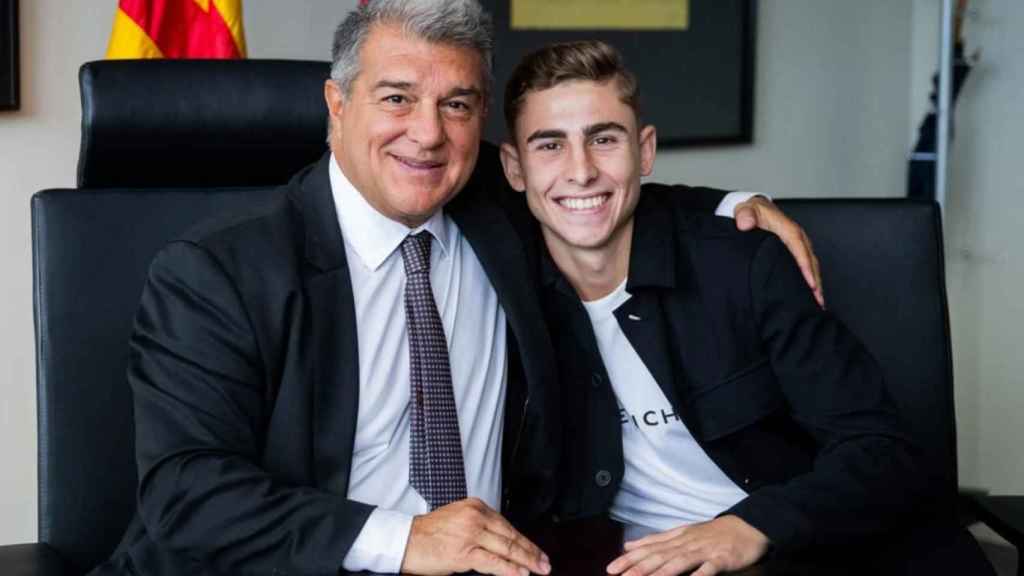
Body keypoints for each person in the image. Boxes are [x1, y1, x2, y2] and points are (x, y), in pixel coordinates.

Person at [91, 3, 820, 575]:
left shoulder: (494, 216)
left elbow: (591, 188)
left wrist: (732, 207)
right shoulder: (217, 272)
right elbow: (185, 492)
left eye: (458, 105)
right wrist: (400, 540)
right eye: (398, 98)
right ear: (336, 105)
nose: (428, 134)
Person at [498, 40, 931, 576]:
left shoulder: (745, 266)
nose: (581, 170)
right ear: (513, 168)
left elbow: (884, 453)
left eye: (604, 139)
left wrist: (753, 526)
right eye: (550, 146)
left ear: (645, 150)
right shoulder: (504, 284)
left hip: (790, 551)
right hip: (621, 560)